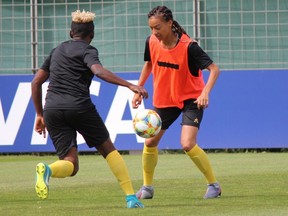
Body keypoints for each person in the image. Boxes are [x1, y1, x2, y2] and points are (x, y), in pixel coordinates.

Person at [31, 9, 147, 208]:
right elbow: (98, 71)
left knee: (71, 164)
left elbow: (35, 82)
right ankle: (130, 197)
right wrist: (130, 85)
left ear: (70, 33)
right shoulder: (88, 50)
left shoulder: (56, 50)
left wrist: (39, 114)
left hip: (52, 109)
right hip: (78, 106)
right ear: (91, 35)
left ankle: (48, 170)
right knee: (108, 149)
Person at [132, 6, 221, 200]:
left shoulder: (189, 47)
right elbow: (148, 63)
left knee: (187, 144)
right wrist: (139, 88)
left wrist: (205, 92)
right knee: (150, 141)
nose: (154, 32)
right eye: (151, 28)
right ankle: (147, 188)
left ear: (169, 23)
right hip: (166, 100)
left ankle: (214, 185)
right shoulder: (152, 42)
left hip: (192, 99)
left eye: (157, 27)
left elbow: (214, 69)